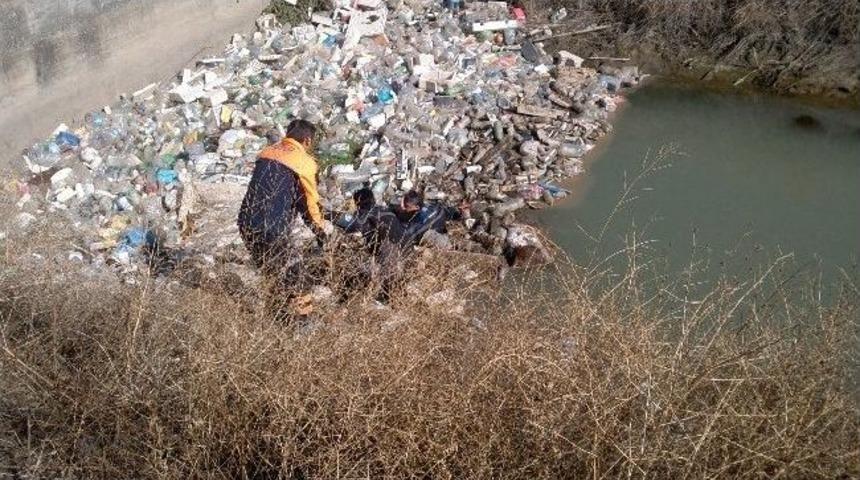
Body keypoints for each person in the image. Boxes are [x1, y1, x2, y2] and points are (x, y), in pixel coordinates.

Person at [237, 119, 325, 274]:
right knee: (292, 278)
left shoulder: (266, 152)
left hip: (246, 224)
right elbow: (308, 203)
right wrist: (320, 232)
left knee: (270, 273)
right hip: (272, 228)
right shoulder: (304, 162)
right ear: (307, 140)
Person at [345, 188, 408, 302]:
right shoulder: (387, 211)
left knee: (353, 265)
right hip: (408, 259)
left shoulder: (364, 216)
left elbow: (354, 229)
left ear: (357, 202)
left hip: (391, 269)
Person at [396, 190, 465, 248]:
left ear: (417, 207)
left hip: (435, 236)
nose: (402, 206)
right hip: (441, 221)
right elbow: (451, 212)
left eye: (406, 205)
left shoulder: (417, 224)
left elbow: (404, 236)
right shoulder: (435, 206)